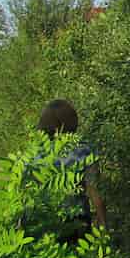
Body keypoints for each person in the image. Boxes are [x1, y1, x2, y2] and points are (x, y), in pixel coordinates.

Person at [35, 99, 106, 240]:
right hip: (76, 220)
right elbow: (94, 190)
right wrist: (103, 223)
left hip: (41, 220)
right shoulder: (84, 150)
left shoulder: (35, 153)